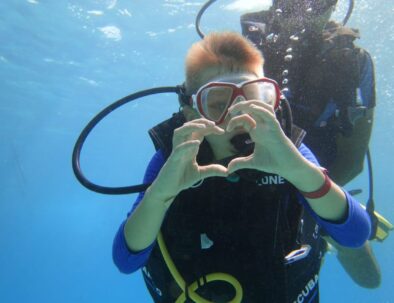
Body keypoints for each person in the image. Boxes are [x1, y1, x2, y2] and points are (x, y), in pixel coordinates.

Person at [112, 32, 371, 303]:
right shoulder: (174, 159)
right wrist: (161, 194)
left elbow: (356, 234)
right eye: (218, 103)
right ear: (192, 115)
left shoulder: (288, 151)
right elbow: (126, 260)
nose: (239, 114)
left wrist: (297, 170)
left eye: (254, 98)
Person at [240, 0, 383, 288]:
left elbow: (353, 159)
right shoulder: (244, 48)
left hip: (319, 179)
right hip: (249, 173)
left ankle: (325, 236)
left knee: (369, 278)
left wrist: (309, 200)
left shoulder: (353, 60)